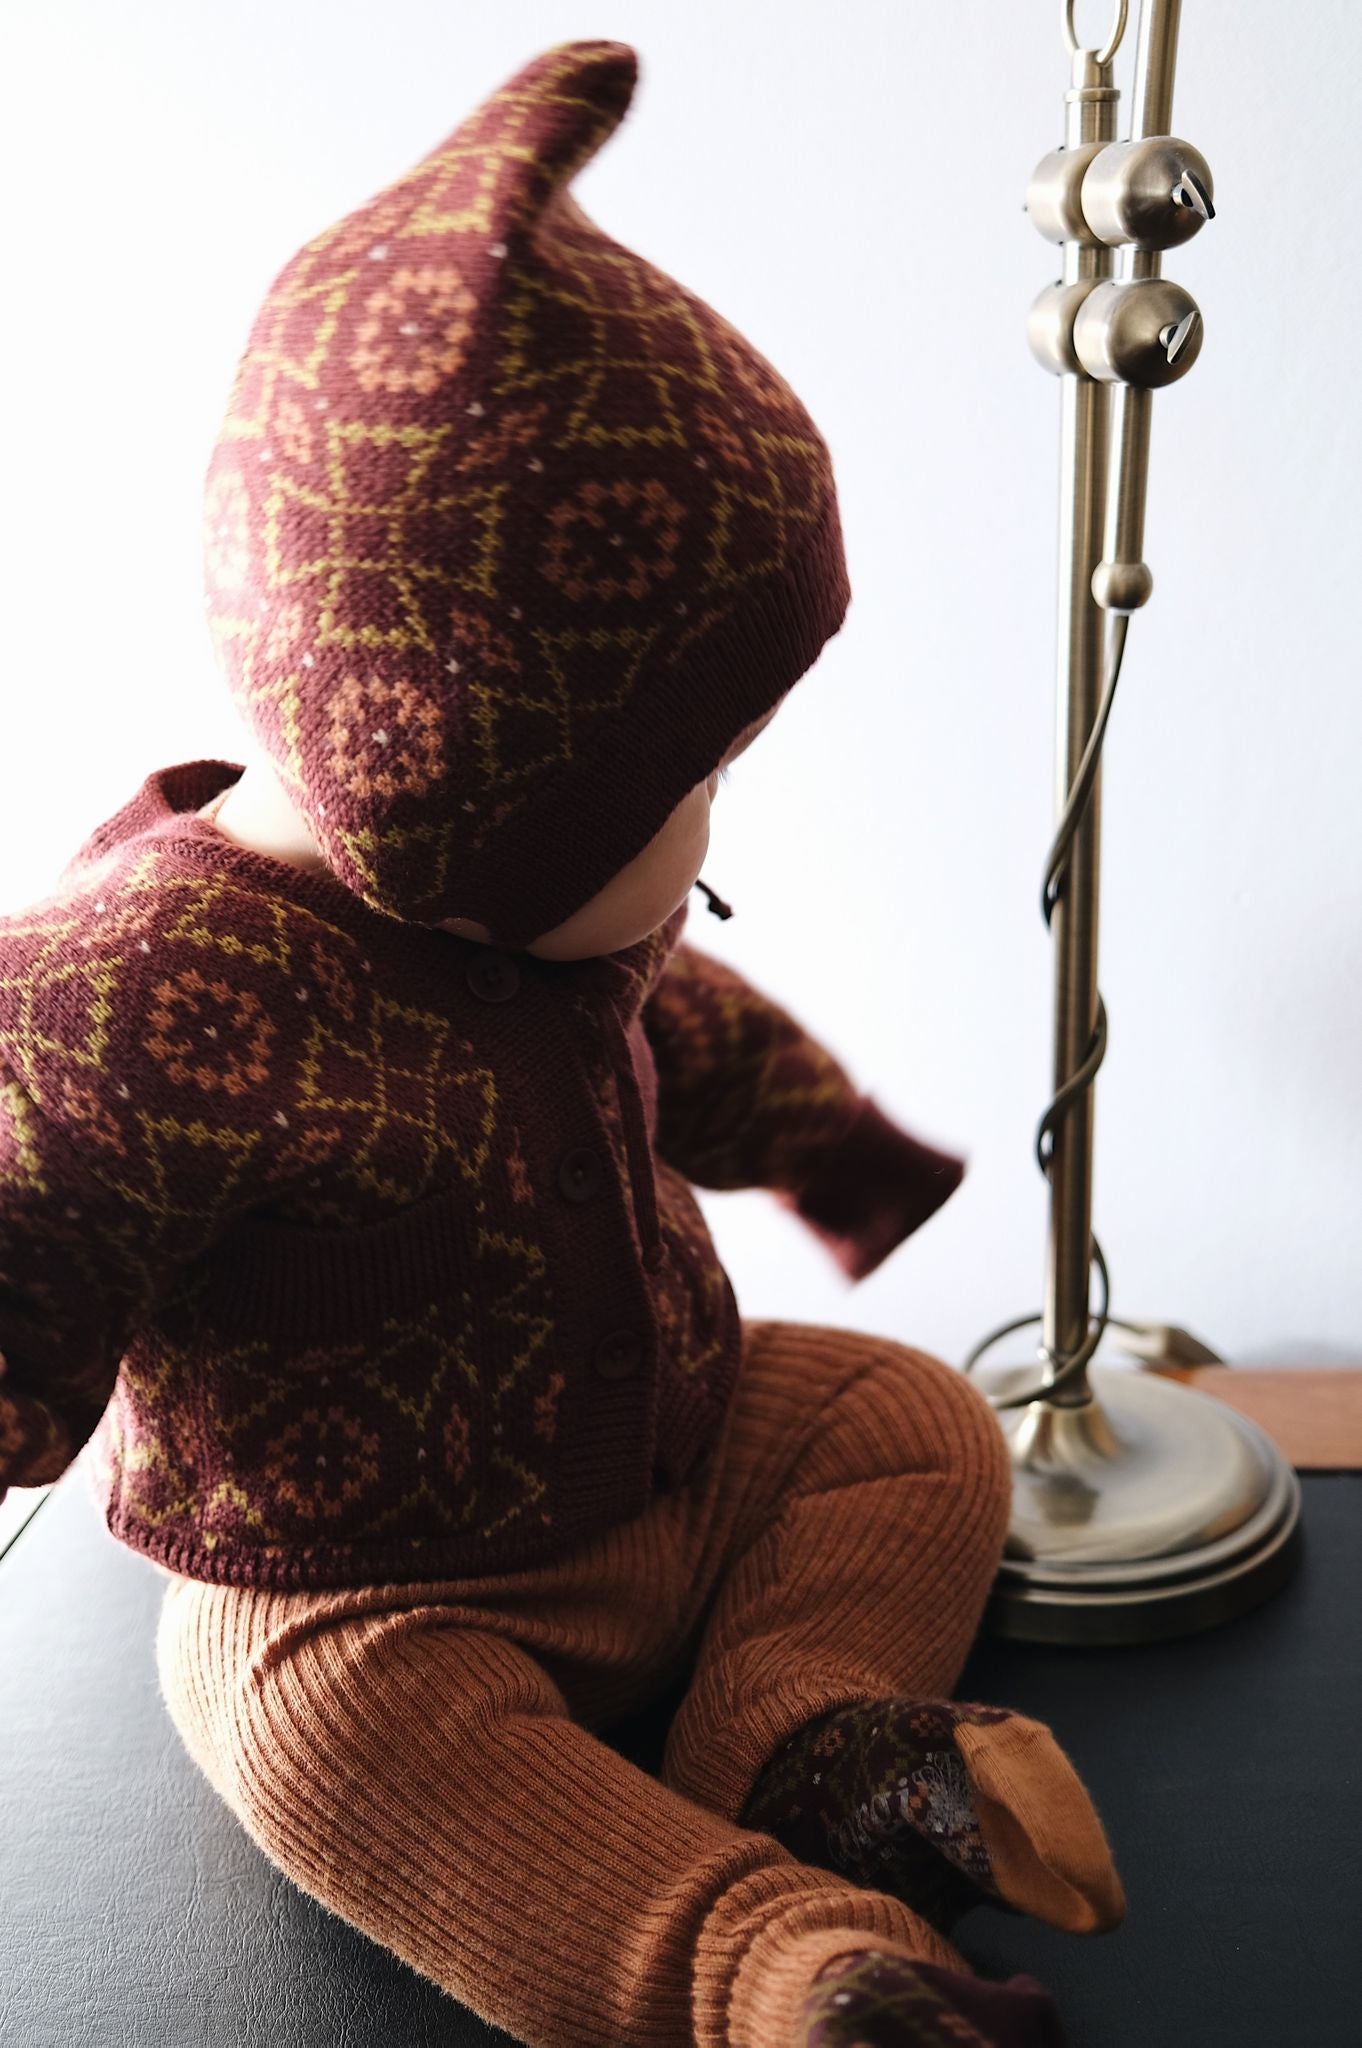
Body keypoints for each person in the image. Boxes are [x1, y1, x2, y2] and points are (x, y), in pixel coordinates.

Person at [0, 41, 1123, 2047]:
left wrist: (831, 1146)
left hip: (679, 1454)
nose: (712, 830)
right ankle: (780, 1973)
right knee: (330, 1739)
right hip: (372, 1590)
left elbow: (670, 1022)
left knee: (906, 1421)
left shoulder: (528, 916)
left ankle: (803, 1737)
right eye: (687, 781)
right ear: (483, 796)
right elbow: (34, 1192)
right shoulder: (135, 1005)